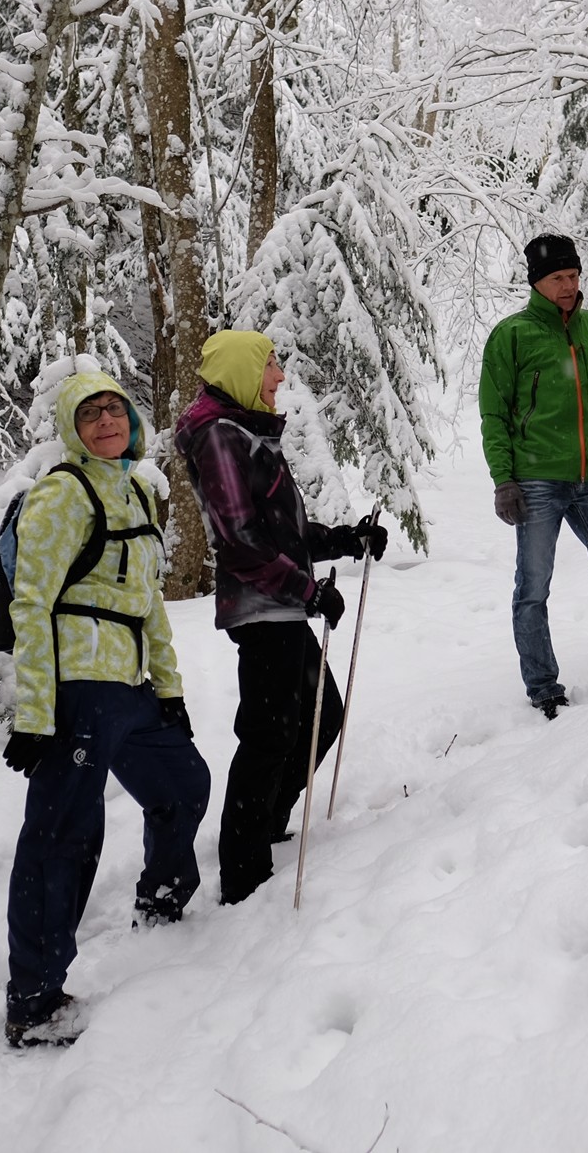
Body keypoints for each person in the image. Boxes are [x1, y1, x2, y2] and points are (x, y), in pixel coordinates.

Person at [2, 370, 210, 1046]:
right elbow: (30, 602)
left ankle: (161, 898)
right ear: (72, 429)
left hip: (129, 687)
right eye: (88, 413)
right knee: (63, 836)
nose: (104, 421)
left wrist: (170, 689)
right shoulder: (63, 494)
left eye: (114, 409)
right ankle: (33, 1000)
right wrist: (35, 712)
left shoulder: (137, 491)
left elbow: (148, 602)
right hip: (76, 689)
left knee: (184, 783)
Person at [175, 332, 385, 904]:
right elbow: (241, 544)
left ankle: (265, 824)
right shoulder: (220, 439)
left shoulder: (247, 434)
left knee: (319, 718)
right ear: (244, 372)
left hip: (280, 604)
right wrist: (307, 591)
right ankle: (244, 870)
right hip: (261, 607)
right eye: (270, 365)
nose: (279, 376)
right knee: (270, 735)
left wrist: (346, 539)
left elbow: (282, 533)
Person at [479, 235, 588, 716]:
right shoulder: (512, 335)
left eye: (574, 276)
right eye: (559, 278)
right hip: (536, 479)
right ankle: (543, 686)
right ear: (537, 282)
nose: (570, 286)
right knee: (533, 587)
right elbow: (493, 415)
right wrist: (503, 480)